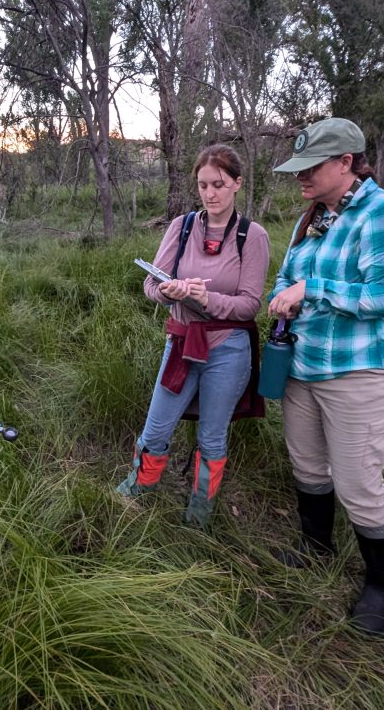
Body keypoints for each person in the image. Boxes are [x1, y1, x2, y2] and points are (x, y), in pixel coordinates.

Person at [268, 118, 384, 636]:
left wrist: (312, 290)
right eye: (298, 168)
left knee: (358, 482)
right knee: (308, 466)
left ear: (346, 163)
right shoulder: (313, 217)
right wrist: (284, 295)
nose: (300, 178)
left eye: (311, 168)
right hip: (303, 367)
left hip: (359, 372)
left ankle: (383, 586)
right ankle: (316, 548)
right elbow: (286, 278)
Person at [116, 144, 270, 527]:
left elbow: (251, 305)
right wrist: (168, 292)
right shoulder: (181, 227)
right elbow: (152, 285)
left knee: (212, 436)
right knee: (156, 426)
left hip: (228, 349)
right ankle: (139, 488)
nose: (210, 193)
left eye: (218, 184)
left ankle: (199, 512)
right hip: (182, 342)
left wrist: (208, 298)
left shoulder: (252, 236)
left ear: (237, 183)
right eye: (203, 185)